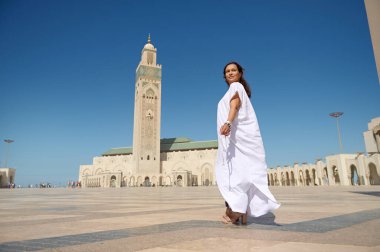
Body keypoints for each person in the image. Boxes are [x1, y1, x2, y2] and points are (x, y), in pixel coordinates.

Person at [216, 61, 280, 224]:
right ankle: (240, 210)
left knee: (232, 174)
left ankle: (236, 210)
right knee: (241, 172)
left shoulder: (236, 87)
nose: (230, 73)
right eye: (227, 71)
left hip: (236, 139)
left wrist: (228, 123)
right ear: (224, 76)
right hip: (238, 139)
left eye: (233, 70)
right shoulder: (238, 89)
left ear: (240, 73)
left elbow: (235, 106)